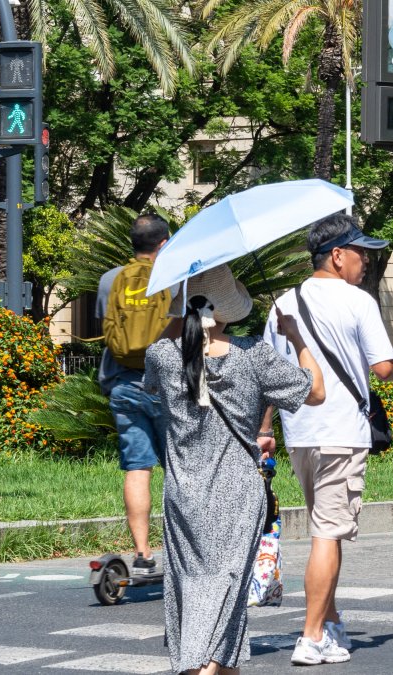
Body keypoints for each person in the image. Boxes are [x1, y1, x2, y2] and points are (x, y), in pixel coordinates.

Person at [144, 264, 325, 675]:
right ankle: (201, 668)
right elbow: (315, 390)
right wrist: (295, 337)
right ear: (226, 307)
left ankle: (208, 664)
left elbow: (153, 379)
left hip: (183, 494)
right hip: (237, 494)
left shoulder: (161, 356)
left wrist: (183, 321)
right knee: (226, 588)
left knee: (192, 587)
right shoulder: (253, 356)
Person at [261, 213, 393, 666]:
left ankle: (329, 622)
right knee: (328, 534)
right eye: (360, 252)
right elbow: (382, 368)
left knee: (325, 532)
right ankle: (311, 637)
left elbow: (269, 376)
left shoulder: (282, 304)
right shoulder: (358, 302)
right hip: (342, 433)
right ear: (337, 255)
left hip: (301, 433)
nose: (365, 260)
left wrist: (265, 429)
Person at [97, 213, 171, 575]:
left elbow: (107, 329)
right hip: (167, 385)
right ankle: (182, 547)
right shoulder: (174, 278)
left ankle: (142, 555)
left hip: (124, 384)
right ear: (163, 242)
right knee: (180, 468)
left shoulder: (111, 280)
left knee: (138, 468)